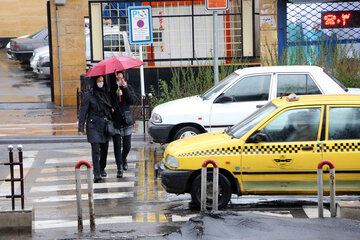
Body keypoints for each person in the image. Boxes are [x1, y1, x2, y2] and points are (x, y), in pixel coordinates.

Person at [78, 75, 113, 182]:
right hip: (93, 125)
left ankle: (102, 168)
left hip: (104, 125)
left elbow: (111, 106)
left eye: (102, 81)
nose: (101, 83)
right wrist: (80, 128)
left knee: (104, 149)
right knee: (96, 150)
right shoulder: (89, 95)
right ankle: (96, 173)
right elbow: (83, 111)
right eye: (99, 81)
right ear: (95, 82)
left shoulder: (106, 93)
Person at [110, 71, 136, 178]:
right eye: (118, 78)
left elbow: (132, 101)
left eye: (121, 78)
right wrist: (116, 95)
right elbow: (112, 105)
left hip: (126, 121)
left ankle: (123, 158)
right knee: (117, 146)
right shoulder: (112, 89)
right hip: (115, 121)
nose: (120, 80)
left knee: (127, 146)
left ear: (124, 79)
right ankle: (119, 167)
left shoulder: (127, 87)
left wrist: (124, 89)